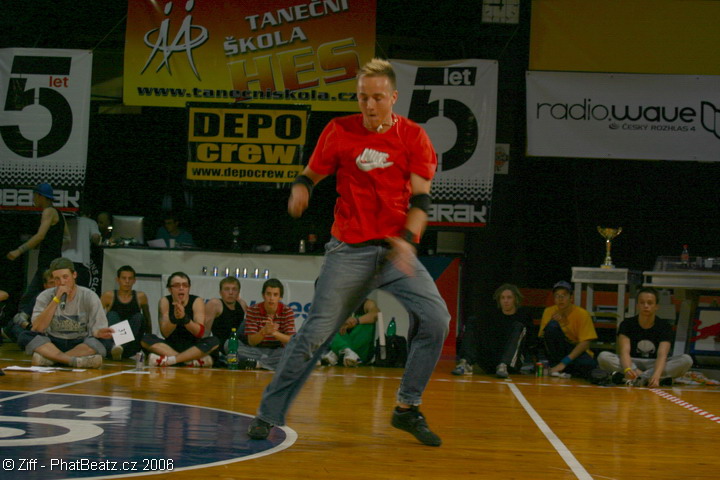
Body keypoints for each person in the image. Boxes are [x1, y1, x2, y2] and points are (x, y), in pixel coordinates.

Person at [246, 58, 450, 447]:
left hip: (395, 250)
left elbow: (422, 199)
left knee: (436, 319)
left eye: (377, 98)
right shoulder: (339, 130)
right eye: (362, 97)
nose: (369, 105)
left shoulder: (413, 137)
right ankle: (268, 414)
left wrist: (408, 239)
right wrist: (301, 187)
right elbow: (310, 174)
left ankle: (407, 407)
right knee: (313, 335)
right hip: (349, 251)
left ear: (393, 97)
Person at [17, 257, 114, 368]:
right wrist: (56, 299)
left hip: (80, 342)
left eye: (65, 277)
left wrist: (99, 333)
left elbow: (97, 330)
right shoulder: (45, 296)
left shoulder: (89, 296)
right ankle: (73, 361)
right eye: (57, 279)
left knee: (105, 341)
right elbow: (38, 328)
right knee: (25, 336)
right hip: (52, 343)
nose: (62, 282)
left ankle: (52, 360)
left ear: (74, 275)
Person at [597, 287, 693, 387]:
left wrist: (656, 374)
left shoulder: (664, 326)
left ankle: (640, 378)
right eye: (642, 303)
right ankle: (647, 379)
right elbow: (624, 352)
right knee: (603, 357)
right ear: (637, 305)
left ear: (656, 306)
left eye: (650, 303)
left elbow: (662, 355)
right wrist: (628, 369)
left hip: (654, 363)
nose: (646, 306)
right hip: (632, 362)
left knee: (686, 360)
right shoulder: (627, 324)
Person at [6, 183, 70, 319]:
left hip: (47, 262)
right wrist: (50, 242)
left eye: (34, 195)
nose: (33, 198)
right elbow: (67, 238)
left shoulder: (48, 212)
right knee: (43, 296)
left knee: (30, 297)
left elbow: (40, 235)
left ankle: (20, 323)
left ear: (40, 196)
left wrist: (19, 250)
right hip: (56, 261)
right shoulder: (59, 213)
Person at [452, 283, 532, 378]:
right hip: (491, 358)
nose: (506, 301)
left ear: (515, 299)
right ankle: (465, 362)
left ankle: (503, 365)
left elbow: (529, 343)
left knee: (519, 326)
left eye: (509, 297)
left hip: (511, 362)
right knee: (473, 321)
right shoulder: (494, 315)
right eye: (502, 298)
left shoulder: (523, 316)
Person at [141, 272, 218, 367]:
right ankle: (189, 361)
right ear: (170, 289)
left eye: (185, 285)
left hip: (193, 346)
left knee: (214, 341)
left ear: (189, 288)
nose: (181, 288)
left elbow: (199, 333)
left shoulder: (197, 301)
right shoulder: (165, 301)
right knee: (146, 338)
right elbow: (165, 333)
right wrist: (175, 318)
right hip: (170, 346)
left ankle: (171, 360)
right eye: (177, 285)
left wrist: (185, 318)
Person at [538, 280, 598, 379]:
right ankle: (556, 366)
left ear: (571, 298)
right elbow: (542, 338)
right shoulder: (549, 311)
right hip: (557, 351)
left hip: (574, 351)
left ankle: (563, 367)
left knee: (589, 365)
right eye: (557, 296)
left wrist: (564, 362)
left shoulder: (582, 314)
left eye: (564, 295)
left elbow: (585, 343)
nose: (560, 299)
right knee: (552, 326)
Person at [234, 278, 295, 370]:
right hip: (256, 349)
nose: (271, 298)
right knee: (229, 345)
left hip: (277, 350)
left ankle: (258, 363)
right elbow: (251, 342)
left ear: (280, 297)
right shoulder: (253, 310)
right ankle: (270, 363)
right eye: (268, 294)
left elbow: (290, 340)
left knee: (296, 352)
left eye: (275, 295)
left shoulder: (287, 311)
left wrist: (274, 333)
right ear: (263, 295)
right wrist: (264, 331)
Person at [100, 265, 152, 360]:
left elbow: (147, 322)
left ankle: (120, 346)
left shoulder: (141, 297)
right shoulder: (108, 296)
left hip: (130, 346)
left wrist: (149, 346)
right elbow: (97, 318)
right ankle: (116, 347)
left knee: (139, 317)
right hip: (111, 345)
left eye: (130, 278)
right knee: (112, 315)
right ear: (117, 280)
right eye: (124, 278)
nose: (127, 281)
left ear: (134, 280)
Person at [321, 297, 379, 367]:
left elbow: (376, 314)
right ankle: (344, 350)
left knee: (368, 320)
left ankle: (341, 351)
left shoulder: (366, 303)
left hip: (361, 352)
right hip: (342, 350)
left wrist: (356, 321)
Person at [3, 269, 55, 342]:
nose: (55, 285)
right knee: (16, 327)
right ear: (45, 285)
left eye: (57, 282)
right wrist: (29, 326)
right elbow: (20, 317)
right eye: (51, 283)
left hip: (58, 331)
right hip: (39, 330)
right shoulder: (39, 297)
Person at [205, 276, 248, 354]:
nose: (231, 293)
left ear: (238, 292)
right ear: (220, 292)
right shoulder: (215, 304)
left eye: (234, 289)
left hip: (239, 346)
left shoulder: (242, 304)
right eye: (227, 289)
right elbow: (205, 332)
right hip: (222, 347)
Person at [62, 209, 101, 291]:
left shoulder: (63, 220)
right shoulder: (90, 222)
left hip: (63, 262)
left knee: (63, 292)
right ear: (89, 214)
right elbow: (96, 237)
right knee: (81, 293)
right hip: (81, 263)